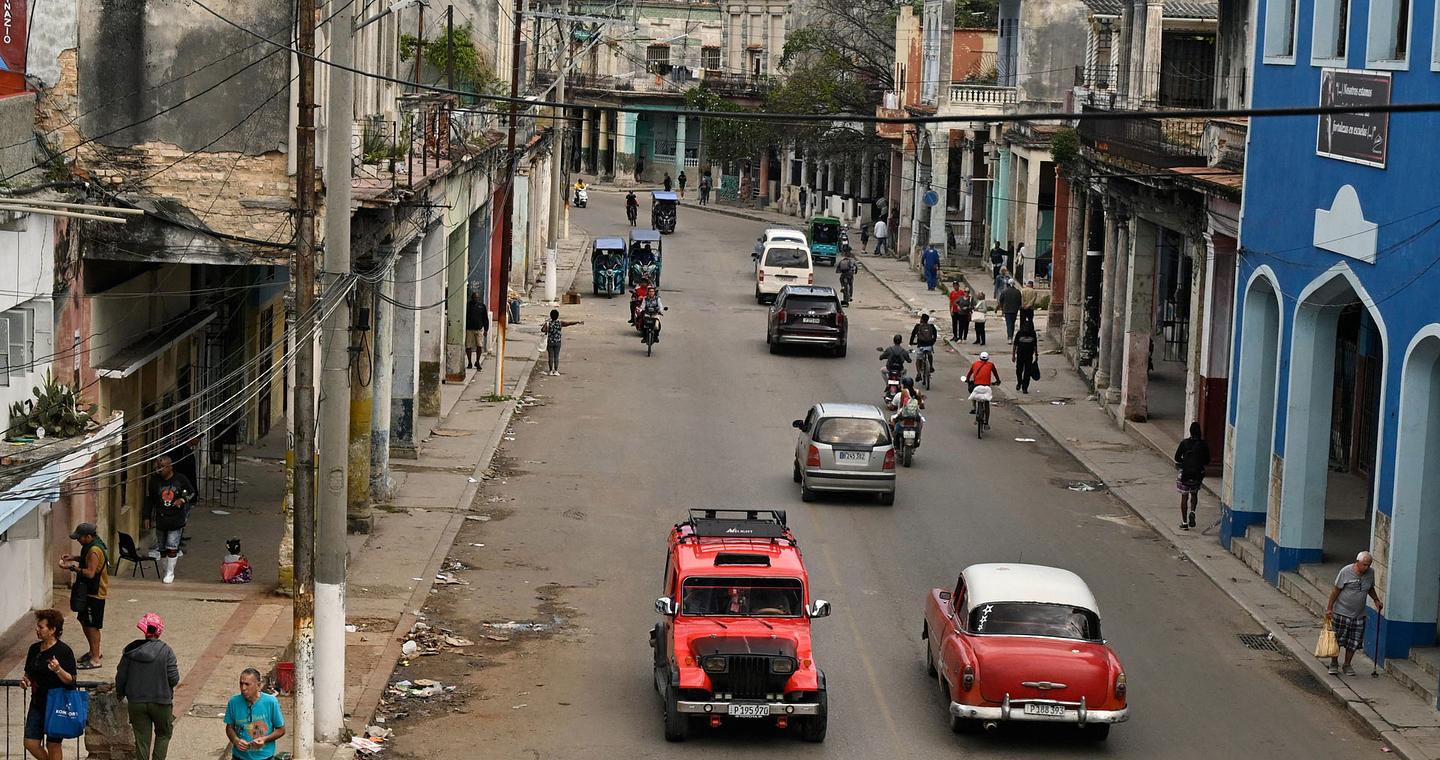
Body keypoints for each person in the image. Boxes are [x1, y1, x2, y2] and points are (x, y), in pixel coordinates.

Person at [117, 613, 180, 760]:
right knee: (164, 734)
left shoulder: (130, 651)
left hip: (136, 703)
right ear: (159, 631)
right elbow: (174, 679)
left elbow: (121, 676)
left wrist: (120, 692)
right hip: (161, 702)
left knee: (142, 740)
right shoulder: (166, 651)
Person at [23, 609, 76, 760]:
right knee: (30, 743)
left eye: (41, 627)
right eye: (37, 626)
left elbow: (71, 680)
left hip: (56, 703)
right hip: (37, 702)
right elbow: (29, 672)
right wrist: (25, 680)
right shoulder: (34, 649)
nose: (37, 630)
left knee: (53, 745)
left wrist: (58, 670)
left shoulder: (64, 651)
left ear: (52, 630)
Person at [1325, 552, 1383, 677]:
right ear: (1357, 562)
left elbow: (1370, 588)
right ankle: (1334, 663)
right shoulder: (1345, 572)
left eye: (1368, 565)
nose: (1366, 568)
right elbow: (1335, 591)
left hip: (1359, 614)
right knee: (1337, 640)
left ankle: (1347, 664)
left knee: (1354, 642)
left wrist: (1376, 600)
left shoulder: (1370, 573)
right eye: (1364, 565)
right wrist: (1329, 608)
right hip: (1342, 612)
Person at [60, 522, 108, 669]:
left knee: (92, 626)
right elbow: (86, 560)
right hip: (87, 593)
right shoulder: (90, 547)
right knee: (84, 621)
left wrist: (71, 567)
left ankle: (95, 658)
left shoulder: (94, 550)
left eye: (80, 538)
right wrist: (74, 558)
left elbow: (90, 572)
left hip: (94, 594)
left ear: (88, 536)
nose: (78, 540)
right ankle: (93, 651)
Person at [146, 456, 194, 584]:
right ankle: (165, 570)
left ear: (169, 467)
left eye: (161, 467)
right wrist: (146, 517)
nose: (159, 470)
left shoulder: (180, 479)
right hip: (161, 519)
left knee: (172, 546)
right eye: (157, 467)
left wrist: (182, 500)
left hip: (176, 519)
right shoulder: (154, 481)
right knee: (161, 548)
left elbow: (192, 492)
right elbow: (150, 500)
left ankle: (170, 572)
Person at [225, 668, 285, 760]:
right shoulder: (233, 702)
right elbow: (229, 728)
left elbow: (281, 730)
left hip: (265, 757)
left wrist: (265, 739)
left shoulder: (271, 702)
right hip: (239, 757)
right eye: (241, 684)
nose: (243, 688)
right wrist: (235, 740)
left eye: (247, 684)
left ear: (259, 685)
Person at [1173, 422, 1211, 530]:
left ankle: (1184, 523)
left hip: (1185, 474)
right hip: (1197, 475)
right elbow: (1207, 460)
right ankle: (1193, 511)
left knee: (1184, 497)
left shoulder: (1184, 443)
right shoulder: (1203, 444)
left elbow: (1177, 457)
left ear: (1190, 431)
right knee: (1194, 494)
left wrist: (1185, 462)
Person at [541, 309, 584, 377]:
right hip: (558, 342)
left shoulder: (548, 323)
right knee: (556, 356)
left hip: (550, 342)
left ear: (551, 316)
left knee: (550, 356)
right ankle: (556, 371)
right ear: (557, 316)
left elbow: (542, 330)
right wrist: (578, 322)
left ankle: (550, 371)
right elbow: (569, 323)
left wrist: (547, 328)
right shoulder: (560, 323)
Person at [965, 350, 1001, 416]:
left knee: (974, 394)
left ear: (980, 358)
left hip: (976, 385)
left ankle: (974, 408)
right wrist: (998, 381)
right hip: (987, 385)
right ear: (988, 359)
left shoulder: (975, 364)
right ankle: (986, 422)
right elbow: (995, 374)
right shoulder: (991, 364)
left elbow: (969, 374)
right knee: (986, 402)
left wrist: (967, 380)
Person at [892, 377, 924, 444]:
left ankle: (894, 438)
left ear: (903, 385)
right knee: (921, 422)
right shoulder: (918, 392)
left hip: (904, 414)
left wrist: (899, 412)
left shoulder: (904, 392)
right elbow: (921, 405)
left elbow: (901, 404)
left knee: (893, 420)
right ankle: (918, 438)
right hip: (915, 415)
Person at [464, 291, 489, 370]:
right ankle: (469, 362)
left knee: (479, 346)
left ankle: (477, 362)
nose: (475, 299)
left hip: (479, 329)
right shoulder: (467, 306)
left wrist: (486, 329)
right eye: (474, 297)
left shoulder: (482, 306)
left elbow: (485, 319)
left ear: (478, 298)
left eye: (477, 297)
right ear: (472, 298)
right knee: (468, 346)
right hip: (469, 329)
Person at [1013, 323, 1038, 394]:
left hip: (1029, 356)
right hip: (1020, 355)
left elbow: (1035, 345)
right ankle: (1019, 382)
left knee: (1027, 371)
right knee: (1019, 370)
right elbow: (1015, 344)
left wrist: (1036, 355)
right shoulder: (1019, 333)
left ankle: (1025, 387)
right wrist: (1013, 355)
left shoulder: (1033, 333)